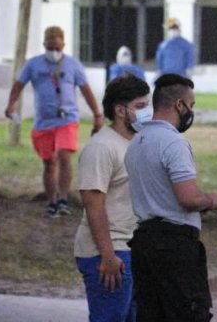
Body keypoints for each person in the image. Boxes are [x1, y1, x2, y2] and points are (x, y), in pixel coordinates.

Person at [124, 73, 217, 321]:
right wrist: (209, 200)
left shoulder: (137, 142)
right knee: (187, 313)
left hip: (144, 243)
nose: (191, 111)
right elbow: (187, 198)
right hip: (175, 246)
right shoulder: (173, 143)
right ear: (180, 104)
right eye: (192, 105)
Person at [73, 74, 151, 322]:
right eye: (140, 107)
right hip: (110, 253)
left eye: (147, 105)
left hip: (132, 248)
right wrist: (107, 256)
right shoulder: (101, 148)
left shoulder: (137, 143)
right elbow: (93, 204)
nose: (146, 112)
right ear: (119, 110)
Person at [4, 26, 104, 218]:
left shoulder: (73, 65)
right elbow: (18, 85)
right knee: (49, 163)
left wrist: (97, 115)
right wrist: (10, 105)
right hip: (43, 123)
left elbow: (86, 90)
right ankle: (52, 202)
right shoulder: (33, 64)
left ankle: (64, 200)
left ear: (63, 45)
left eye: (58, 48)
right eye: (50, 47)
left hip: (67, 119)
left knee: (63, 155)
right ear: (44, 45)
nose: (54, 52)